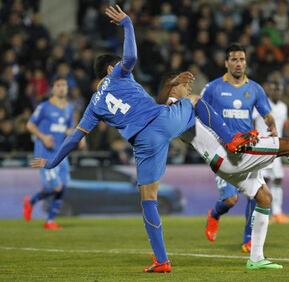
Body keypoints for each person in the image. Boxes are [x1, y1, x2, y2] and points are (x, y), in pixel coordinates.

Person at [30, 5, 255, 273]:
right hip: (161, 121)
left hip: (143, 143)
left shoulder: (92, 106)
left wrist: (52, 162)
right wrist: (127, 24)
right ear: (110, 68)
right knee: (194, 100)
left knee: (148, 199)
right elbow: (132, 57)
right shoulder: (117, 74)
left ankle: (162, 260)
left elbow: (73, 138)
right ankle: (231, 140)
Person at [165, 79, 289, 270]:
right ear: (173, 89)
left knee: (264, 198)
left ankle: (256, 258)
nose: (188, 89)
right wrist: (227, 136)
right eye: (183, 86)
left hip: (221, 164)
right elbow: (195, 100)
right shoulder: (178, 109)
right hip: (231, 155)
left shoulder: (175, 118)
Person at [202, 43, 277, 252]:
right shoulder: (212, 88)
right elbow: (199, 111)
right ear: (226, 63)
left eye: (242, 59)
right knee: (230, 199)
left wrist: (272, 127)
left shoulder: (254, 89)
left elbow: (266, 114)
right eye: (234, 59)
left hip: (248, 150)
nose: (238, 63)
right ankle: (215, 214)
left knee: (257, 195)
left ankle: (248, 239)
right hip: (222, 151)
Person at [23, 76, 81, 230]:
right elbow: (30, 125)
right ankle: (31, 201)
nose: (62, 87)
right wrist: (42, 137)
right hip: (44, 153)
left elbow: (68, 129)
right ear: (53, 89)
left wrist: (78, 137)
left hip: (61, 154)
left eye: (64, 85)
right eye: (58, 85)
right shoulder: (44, 107)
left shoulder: (69, 108)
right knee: (56, 187)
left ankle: (49, 221)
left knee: (63, 186)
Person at [254, 81, 289, 224]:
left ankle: (277, 212)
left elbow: (283, 127)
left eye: (280, 89)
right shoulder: (261, 105)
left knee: (278, 179)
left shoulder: (283, 107)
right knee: (263, 181)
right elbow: (251, 123)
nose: (277, 92)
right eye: (275, 89)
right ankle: (264, 213)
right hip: (262, 148)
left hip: (276, 148)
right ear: (269, 90)